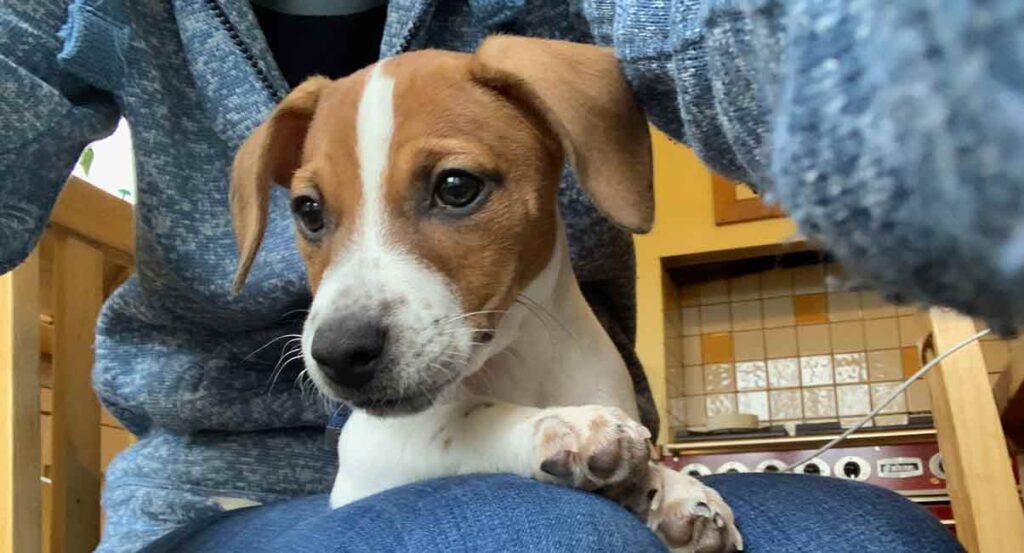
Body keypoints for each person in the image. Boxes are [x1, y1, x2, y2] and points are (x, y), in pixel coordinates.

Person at [3, 0, 1018, 551]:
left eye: (450, 188)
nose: (346, 312)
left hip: (575, 459)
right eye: (313, 213)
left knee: (874, 542)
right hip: (222, 500)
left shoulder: (535, 90)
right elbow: (380, 462)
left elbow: (736, 32)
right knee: (541, 536)